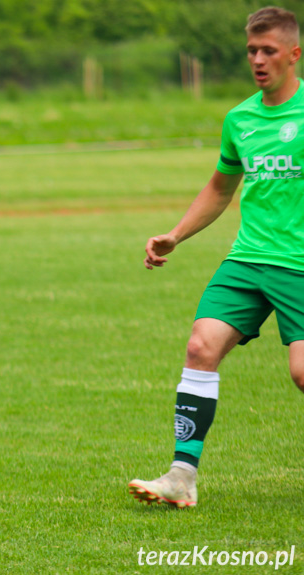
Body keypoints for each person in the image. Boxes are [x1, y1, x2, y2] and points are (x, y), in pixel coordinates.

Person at [128, 6, 304, 509]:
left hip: (300, 264)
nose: (258, 59)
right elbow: (221, 186)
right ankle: (182, 477)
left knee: (302, 373)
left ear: (294, 53)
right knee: (200, 347)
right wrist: (176, 235)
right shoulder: (241, 119)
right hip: (248, 259)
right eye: (251, 50)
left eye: (268, 50)